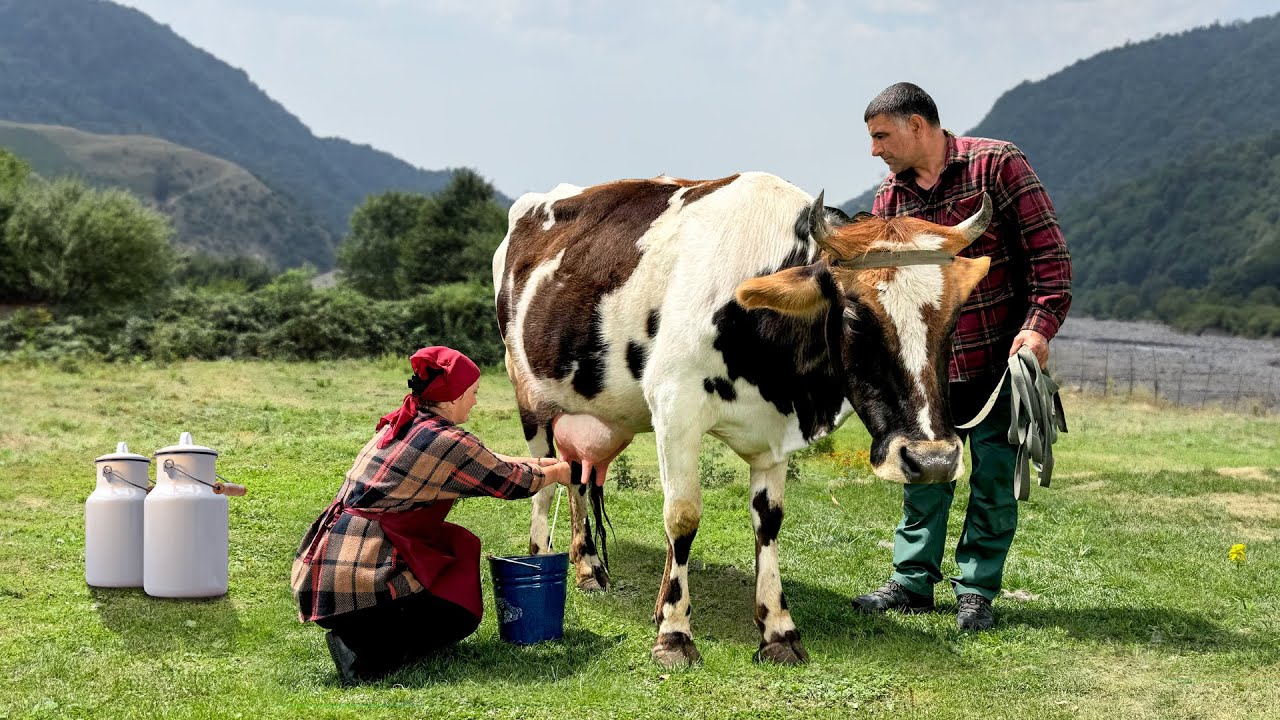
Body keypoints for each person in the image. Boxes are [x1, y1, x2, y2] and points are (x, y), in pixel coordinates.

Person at [853, 82, 1072, 631]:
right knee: (925, 473)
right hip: (930, 374)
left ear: (917, 126)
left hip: (1001, 361)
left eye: (881, 136)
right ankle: (911, 583)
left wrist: (1039, 330)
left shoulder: (997, 165)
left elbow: (1049, 257)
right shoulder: (890, 199)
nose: (874, 149)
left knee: (995, 479)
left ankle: (976, 590)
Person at [291, 346, 573, 684]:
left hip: (331, 566)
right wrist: (559, 474)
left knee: (449, 563)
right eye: (473, 393)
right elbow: (510, 482)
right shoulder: (446, 440)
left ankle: (369, 632)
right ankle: (362, 650)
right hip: (356, 574)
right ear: (453, 397)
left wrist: (545, 463)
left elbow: (491, 460)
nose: (475, 402)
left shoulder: (411, 424)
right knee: (457, 615)